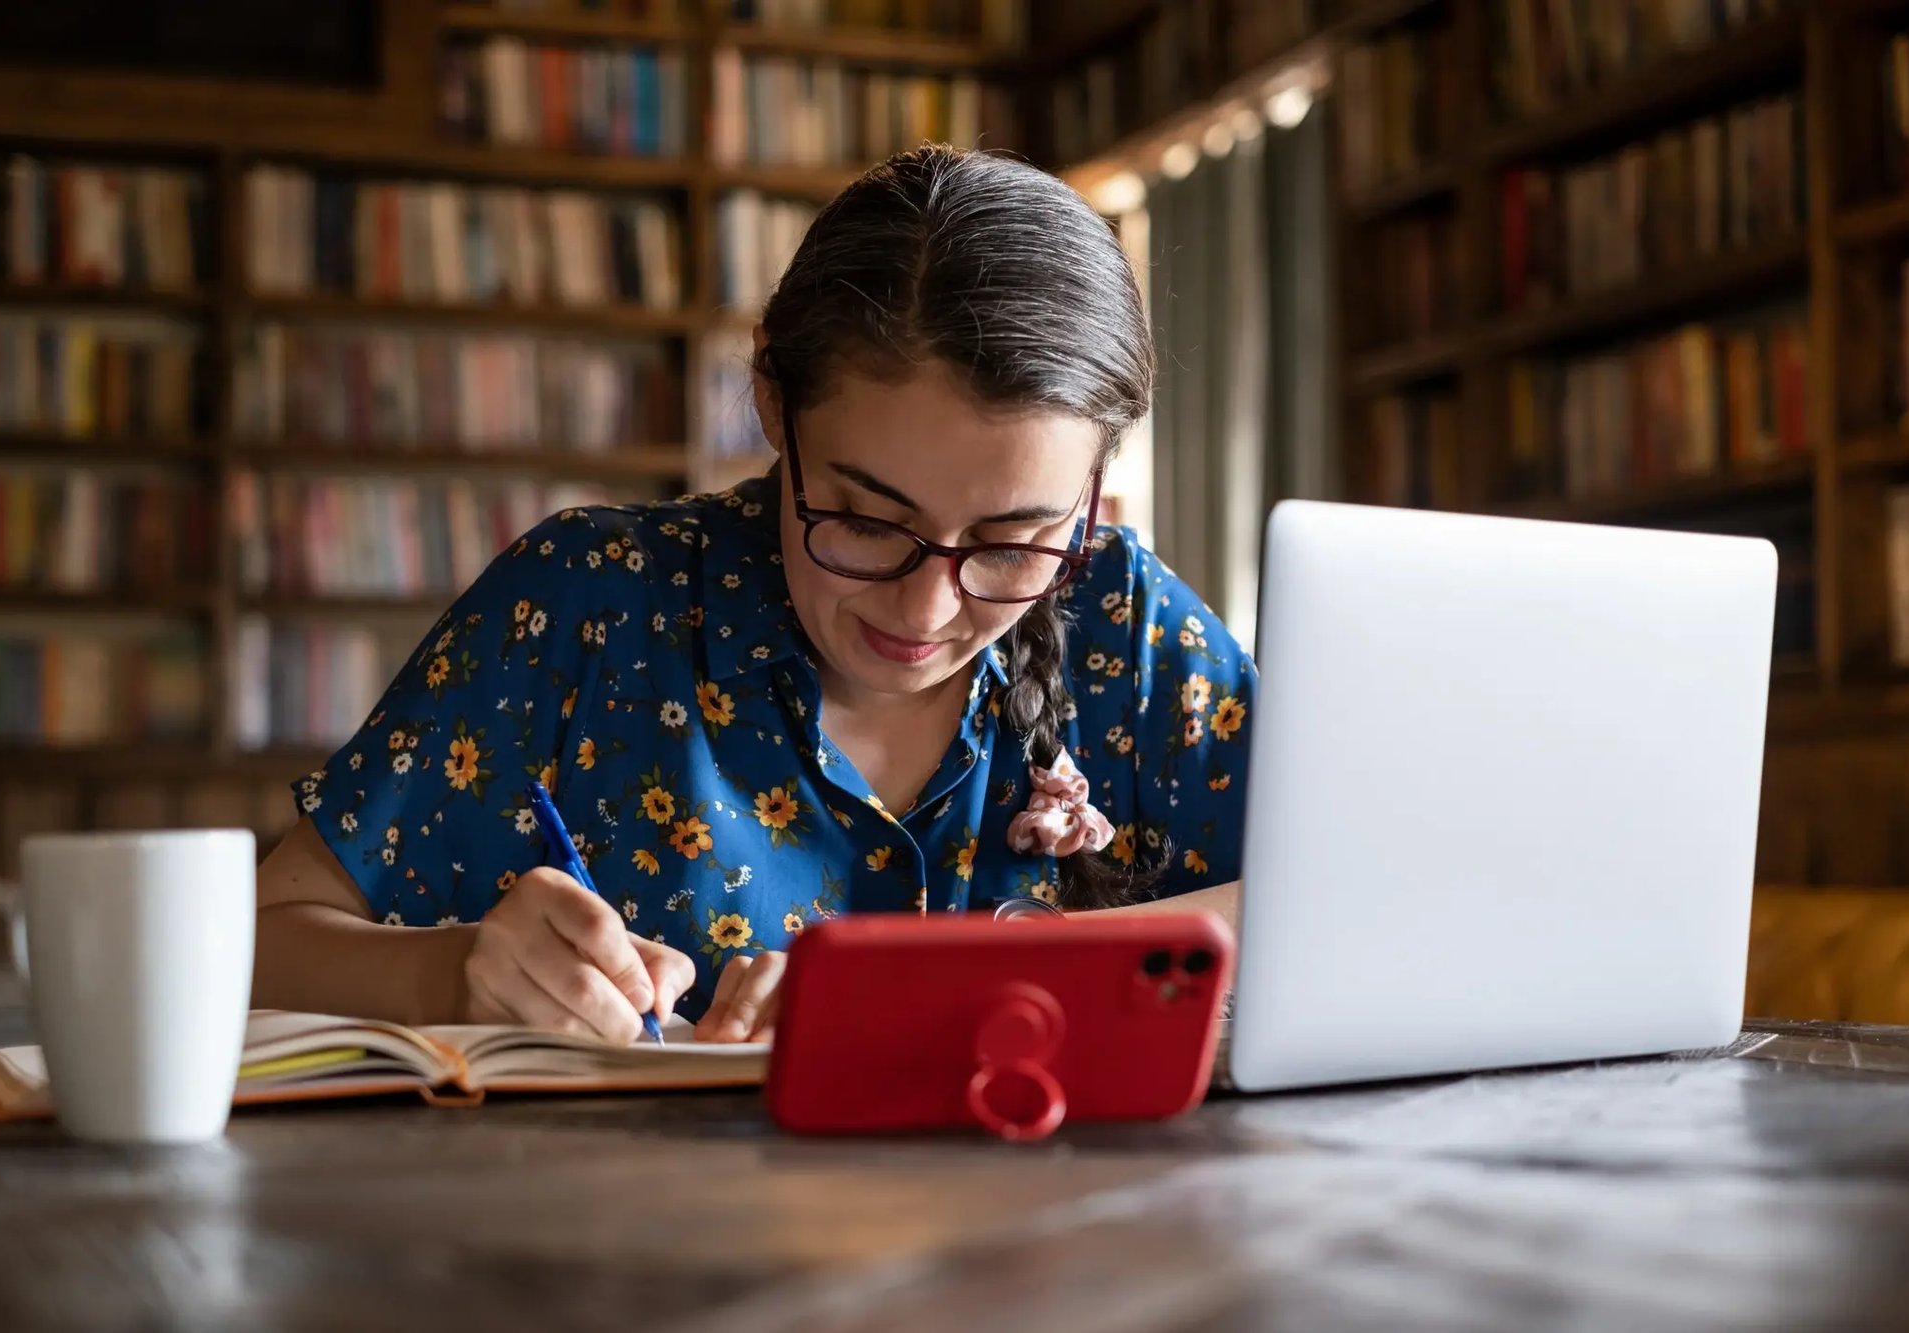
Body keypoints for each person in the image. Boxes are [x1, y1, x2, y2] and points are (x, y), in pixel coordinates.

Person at [253, 145, 1256, 1044]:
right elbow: (261, 943)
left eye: (1013, 540)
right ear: (772, 400)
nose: (924, 614)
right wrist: (455, 971)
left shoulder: (1122, 623)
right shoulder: (588, 602)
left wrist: (931, 988)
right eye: (867, 521)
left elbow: (1357, 907)